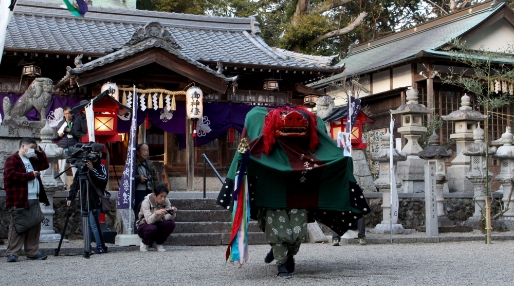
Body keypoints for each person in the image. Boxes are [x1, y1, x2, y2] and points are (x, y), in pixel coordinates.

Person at [4, 137, 50, 262]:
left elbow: (45, 164)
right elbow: (10, 175)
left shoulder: (32, 160)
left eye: (34, 148)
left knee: (35, 224)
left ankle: (32, 251)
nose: (32, 150)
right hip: (19, 197)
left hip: (33, 197)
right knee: (18, 225)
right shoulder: (12, 159)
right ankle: (13, 252)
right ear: (23, 146)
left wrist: (40, 152)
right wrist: (30, 175)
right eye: (31, 147)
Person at [66, 151, 108, 254]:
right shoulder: (82, 168)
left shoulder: (100, 167)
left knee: (94, 224)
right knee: (86, 225)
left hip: (95, 199)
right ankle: (87, 246)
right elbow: (75, 183)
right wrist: (70, 197)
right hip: (84, 199)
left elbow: (103, 181)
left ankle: (100, 246)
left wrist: (92, 170)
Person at [136, 183, 177, 252]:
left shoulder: (166, 201)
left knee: (171, 224)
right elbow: (149, 221)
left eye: (165, 196)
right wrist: (156, 213)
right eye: (161, 196)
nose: (163, 199)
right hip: (144, 225)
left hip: (158, 223)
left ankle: (158, 243)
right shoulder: (146, 202)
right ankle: (145, 243)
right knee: (152, 228)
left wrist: (172, 212)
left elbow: (167, 218)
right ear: (155, 195)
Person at [55, 106, 80, 187]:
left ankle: (76, 185)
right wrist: (60, 134)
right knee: (62, 168)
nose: (67, 115)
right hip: (63, 146)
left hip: (73, 146)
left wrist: (70, 131)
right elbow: (57, 136)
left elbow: (78, 134)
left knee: (74, 167)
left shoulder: (76, 122)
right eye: (65, 114)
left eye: (69, 113)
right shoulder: (61, 123)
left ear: (72, 114)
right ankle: (63, 185)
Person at [134, 143, 159, 219]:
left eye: (147, 150)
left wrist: (157, 190)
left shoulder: (149, 163)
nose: (146, 152)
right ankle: (138, 227)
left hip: (149, 190)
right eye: (144, 150)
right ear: (138, 152)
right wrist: (139, 178)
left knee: (149, 210)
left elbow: (155, 177)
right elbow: (128, 177)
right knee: (139, 210)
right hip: (138, 191)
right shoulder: (133, 163)